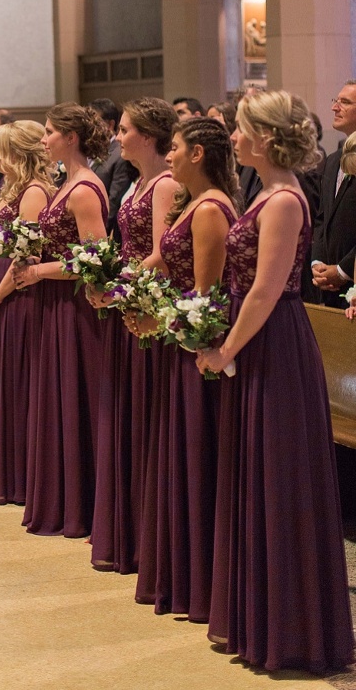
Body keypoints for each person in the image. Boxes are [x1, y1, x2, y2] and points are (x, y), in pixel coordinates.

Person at [198, 91, 352, 674]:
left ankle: (290, 630)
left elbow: (266, 289)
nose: (231, 138)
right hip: (257, 339)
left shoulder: (284, 199)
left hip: (274, 345)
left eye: (238, 130)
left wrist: (225, 348)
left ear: (263, 138)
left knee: (278, 477)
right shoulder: (265, 191)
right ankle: (254, 616)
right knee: (253, 471)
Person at [135, 117, 238, 623]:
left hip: (195, 347)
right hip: (176, 342)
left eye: (174, 148)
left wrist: (161, 316)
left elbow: (207, 297)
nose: (169, 156)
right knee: (173, 451)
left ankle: (199, 579)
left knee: (195, 455)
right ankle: (179, 572)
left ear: (197, 154)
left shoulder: (212, 208)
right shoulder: (191, 202)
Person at [89, 97, 178, 572]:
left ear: (147, 136)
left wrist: (118, 286)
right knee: (127, 411)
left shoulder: (163, 183)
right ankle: (130, 529)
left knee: (147, 413)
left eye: (124, 129)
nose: (117, 136)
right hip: (131, 298)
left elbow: (163, 252)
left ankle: (150, 535)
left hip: (150, 304)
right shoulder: (139, 182)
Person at [14, 103, 110, 538]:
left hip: (74, 309)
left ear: (71, 137)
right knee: (55, 399)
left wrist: (39, 271)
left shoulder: (85, 188)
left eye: (50, 132)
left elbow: (96, 258)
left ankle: (82, 504)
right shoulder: (65, 183)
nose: (44, 138)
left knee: (75, 401)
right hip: (55, 305)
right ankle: (61, 497)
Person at [0, 121, 54, 506]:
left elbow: (26, 255)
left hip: (18, 295)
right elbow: (0, 244)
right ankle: (3, 472)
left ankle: (21, 476)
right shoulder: (11, 189)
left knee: (18, 381)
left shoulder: (34, 192)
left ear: (19, 153)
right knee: (2, 378)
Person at [311, 80, 356, 306]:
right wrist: (317, 263)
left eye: (344, 102)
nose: (334, 107)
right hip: (328, 286)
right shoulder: (332, 160)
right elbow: (321, 219)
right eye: (336, 101)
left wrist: (343, 270)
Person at [88, 99, 138, 238]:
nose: (89, 128)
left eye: (94, 123)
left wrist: (98, 239)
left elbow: (114, 200)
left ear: (110, 124)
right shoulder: (90, 151)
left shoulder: (120, 154)